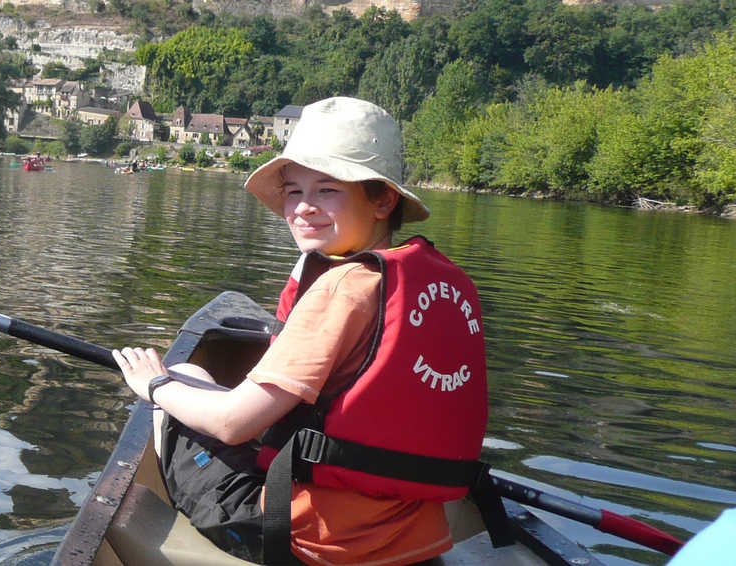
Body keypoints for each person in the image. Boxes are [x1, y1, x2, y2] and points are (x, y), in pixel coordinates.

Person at [111, 97, 492, 566]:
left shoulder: (342, 288)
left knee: (184, 378)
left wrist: (155, 383)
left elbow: (232, 424)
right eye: (293, 191)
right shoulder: (437, 282)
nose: (303, 209)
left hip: (312, 541)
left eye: (327, 190)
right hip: (412, 539)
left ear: (383, 200)